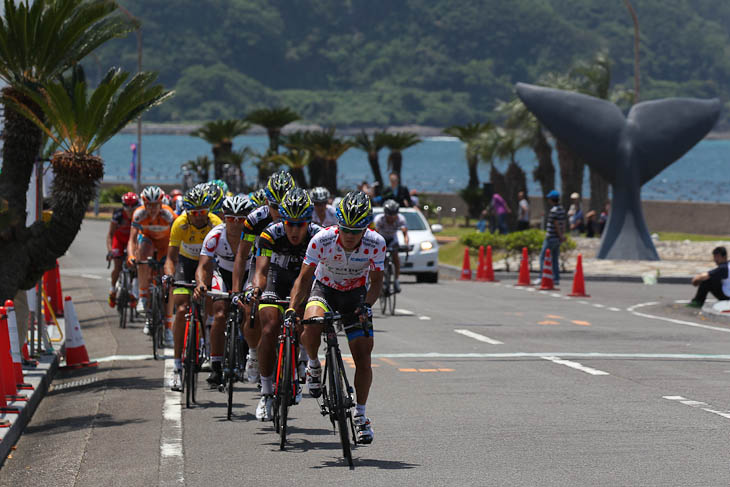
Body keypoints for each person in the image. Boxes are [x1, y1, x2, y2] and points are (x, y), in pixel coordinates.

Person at [287, 191, 384, 444]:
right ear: (338, 225)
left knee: (363, 356)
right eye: (346, 230)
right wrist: (292, 308)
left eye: (356, 231)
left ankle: (361, 417)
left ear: (366, 228)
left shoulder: (376, 242)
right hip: (325, 288)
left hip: (355, 295)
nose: (350, 236)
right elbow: (304, 278)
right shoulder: (322, 239)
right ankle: (313, 364)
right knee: (311, 321)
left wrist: (367, 305)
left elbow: (376, 284)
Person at [249, 188, 322, 420]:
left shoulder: (319, 236)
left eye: (299, 225)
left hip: (305, 280)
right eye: (289, 223)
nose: (293, 230)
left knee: (306, 322)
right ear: (282, 220)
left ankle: (303, 360)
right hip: (276, 279)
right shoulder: (270, 234)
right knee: (269, 328)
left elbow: (324, 273)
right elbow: (260, 271)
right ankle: (267, 392)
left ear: (308, 223)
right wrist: (256, 289)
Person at [232, 171, 294, 383]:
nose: (279, 212)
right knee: (251, 307)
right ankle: (254, 353)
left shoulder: (297, 217)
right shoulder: (255, 219)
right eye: (274, 206)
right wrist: (236, 290)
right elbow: (241, 255)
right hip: (260, 263)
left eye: (282, 206)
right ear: (267, 201)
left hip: (288, 263)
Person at [164, 187, 222, 391]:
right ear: (187, 212)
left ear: (208, 210)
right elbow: (170, 258)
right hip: (185, 265)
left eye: (202, 212)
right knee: (180, 309)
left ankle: (206, 339)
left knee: (208, 300)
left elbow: (221, 256)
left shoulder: (216, 223)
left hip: (207, 265)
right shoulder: (180, 223)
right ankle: (177, 367)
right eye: (194, 213)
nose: (198, 217)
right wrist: (169, 276)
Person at [194, 194, 254, 387]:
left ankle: (248, 353)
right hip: (222, 273)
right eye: (230, 219)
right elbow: (203, 266)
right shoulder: (215, 235)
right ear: (224, 217)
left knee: (249, 311)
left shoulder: (256, 236)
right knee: (219, 315)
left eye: (241, 219)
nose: (235, 224)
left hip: (247, 274)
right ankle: (216, 363)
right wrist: (201, 284)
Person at [127, 186, 177, 320]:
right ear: (144, 204)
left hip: (165, 245)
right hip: (148, 242)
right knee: (142, 252)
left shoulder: (169, 215)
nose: (152, 209)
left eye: (156, 205)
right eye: (149, 205)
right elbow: (132, 239)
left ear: (161, 204)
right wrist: (131, 255)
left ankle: (167, 326)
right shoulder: (138, 214)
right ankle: (143, 297)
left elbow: (178, 238)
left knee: (168, 282)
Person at [106, 192, 139, 308]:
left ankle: (133, 292)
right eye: (127, 206)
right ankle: (113, 289)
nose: (130, 210)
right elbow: (110, 234)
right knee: (118, 266)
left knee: (135, 265)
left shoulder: (139, 214)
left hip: (133, 242)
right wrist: (110, 251)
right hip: (119, 242)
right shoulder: (118, 215)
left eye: (133, 206)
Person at [374, 199, 409, 293]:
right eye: (389, 215)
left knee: (396, 258)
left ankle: (396, 280)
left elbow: (405, 233)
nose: (392, 218)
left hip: (393, 239)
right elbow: (375, 234)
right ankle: (381, 279)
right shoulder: (379, 219)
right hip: (382, 239)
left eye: (394, 215)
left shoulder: (400, 219)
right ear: (385, 213)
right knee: (382, 259)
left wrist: (406, 244)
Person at [538, 190, 566, 287]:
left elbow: (556, 224)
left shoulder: (553, 210)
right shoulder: (562, 209)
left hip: (551, 237)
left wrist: (560, 235)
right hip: (558, 239)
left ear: (551, 199)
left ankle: (542, 277)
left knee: (543, 257)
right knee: (555, 259)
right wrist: (563, 236)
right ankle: (556, 278)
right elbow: (563, 223)